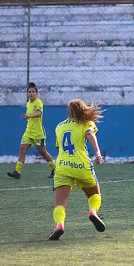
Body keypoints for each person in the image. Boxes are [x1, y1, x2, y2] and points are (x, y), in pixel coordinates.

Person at [49, 99, 105, 240]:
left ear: (69, 112)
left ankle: (59, 225)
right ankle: (92, 212)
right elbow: (90, 134)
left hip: (62, 166)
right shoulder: (86, 123)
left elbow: (59, 147)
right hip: (81, 165)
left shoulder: (59, 126)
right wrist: (98, 153)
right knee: (94, 193)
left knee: (60, 202)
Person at [7, 82, 56, 179]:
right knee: (22, 150)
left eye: (33, 91)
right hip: (28, 132)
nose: (31, 93)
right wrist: (27, 117)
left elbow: (39, 113)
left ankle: (55, 169)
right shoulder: (28, 104)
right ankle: (17, 171)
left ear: (36, 93)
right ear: (27, 93)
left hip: (38, 133)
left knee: (43, 152)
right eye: (29, 92)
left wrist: (29, 116)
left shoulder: (38, 102)